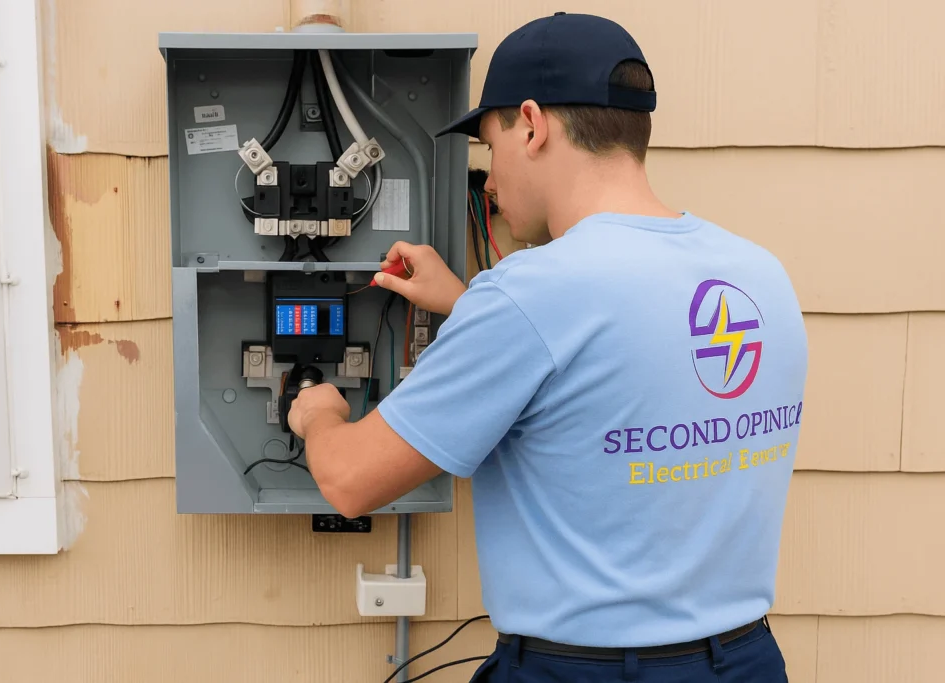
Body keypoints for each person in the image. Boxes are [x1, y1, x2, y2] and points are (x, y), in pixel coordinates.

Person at [287, 12, 808, 683]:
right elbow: (616, 356)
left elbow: (350, 481)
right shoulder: (758, 273)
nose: (490, 180)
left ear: (531, 125)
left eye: (489, 145)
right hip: (746, 662)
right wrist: (464, 300)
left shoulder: (529, 294)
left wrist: (317, 410)